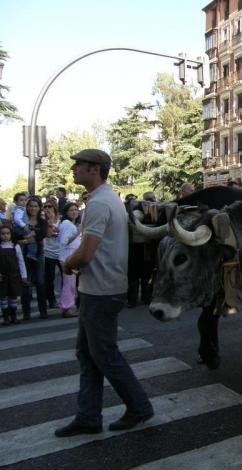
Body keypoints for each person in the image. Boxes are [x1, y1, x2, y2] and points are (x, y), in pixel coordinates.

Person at [54, 149, 153, 438]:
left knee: (104, 354)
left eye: (79, 165)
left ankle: (139, 406)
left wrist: (68, 264)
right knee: (88, 354)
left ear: (94, 169)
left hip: (101, 291)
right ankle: (88, 416)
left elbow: (85, 254)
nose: (73, 170)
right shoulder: (105, 200)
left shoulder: (99, 204)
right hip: (99, 288)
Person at [19, 196, 49, 320]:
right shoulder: (21, 220)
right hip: (23, 256)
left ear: (39, 208)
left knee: (40, 283)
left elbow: (40, 236)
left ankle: (43, 311)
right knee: (25, 284)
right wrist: (28, 239)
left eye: (35, 206)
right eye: (31, 206)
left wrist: (26, 239)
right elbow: (15, 236)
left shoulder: (42, 222)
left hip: (39, 255)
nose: (33, 208)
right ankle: (26, 313)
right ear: (27, 207)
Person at [58, 203, 82, 317]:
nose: (74, 212)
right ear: (66, 213)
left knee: (72, 283)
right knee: (69, 284)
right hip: (68, 259)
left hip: (73, 258)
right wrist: (78, 231)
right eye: (71, 210)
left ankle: (69, 306)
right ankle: (67, 307)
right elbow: (64, 241)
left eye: (76, 210)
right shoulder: (66, 224)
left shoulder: (72, 224)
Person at [0, 225, 27, 325]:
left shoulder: (15, 246)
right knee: (3, 297)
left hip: (14, 276)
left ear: (11, 234)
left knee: (13, 296)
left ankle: (13, 316)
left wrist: (24, 275)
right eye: (3, 234)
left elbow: (21, 262)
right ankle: (6, 317)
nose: (5, 236)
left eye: (7, 233)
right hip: (3, 277)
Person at [43, 201, 62, 309]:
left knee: (67, 277)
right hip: (48, 253)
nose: (47, 209)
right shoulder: (43, 221)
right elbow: (49, 234)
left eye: (49, 206)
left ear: (54, 208)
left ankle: (66, 298)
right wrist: (49, 221)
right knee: (49, 279)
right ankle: (52, 300)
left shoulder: (62, 220)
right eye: (45, 207)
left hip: (61, 253)